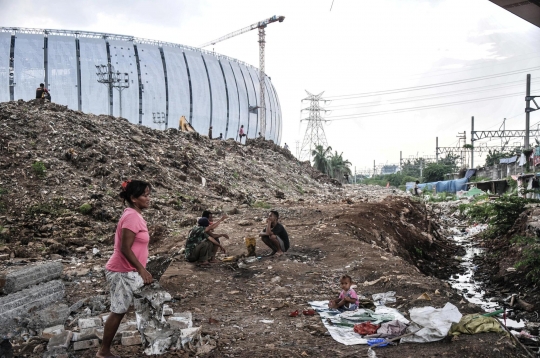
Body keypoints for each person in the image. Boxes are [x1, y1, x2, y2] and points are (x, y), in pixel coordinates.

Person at [97, 180, 153, 358]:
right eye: (145, 195)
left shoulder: (135, 215)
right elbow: (125, 248)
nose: (148, 198)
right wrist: (141, 270)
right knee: (119, 310)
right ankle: (103, 351)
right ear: (133, 198)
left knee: (141, 305)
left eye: (148, 194)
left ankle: (152, 343)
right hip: (122, 271)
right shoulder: (131, 216)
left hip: (130, 271)